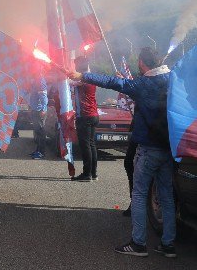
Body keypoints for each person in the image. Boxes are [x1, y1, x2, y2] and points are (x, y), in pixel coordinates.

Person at [69, 47, 175, 258]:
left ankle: (138, 244)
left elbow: (112, 82)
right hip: (169, 148)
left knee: (139, 194)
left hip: (148, 148)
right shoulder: (173, 79)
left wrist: (83, 75)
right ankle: (168, 245)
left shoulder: (143, 84)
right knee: (167, 196)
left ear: (143, 64)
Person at [71, 56, 99, 182]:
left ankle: (87, 174)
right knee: (91, 144)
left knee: (85, 145)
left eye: (76, 65)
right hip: (93, 115)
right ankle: (93, 173)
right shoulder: (90, 77)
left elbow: (71, 82)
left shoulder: (84, 79)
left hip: (85, 116)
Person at [29, 71, 48, 160]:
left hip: (39, 110)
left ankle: (41, 153)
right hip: (35, 109)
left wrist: (43, 109)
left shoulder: (40, 80)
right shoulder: (36, 79)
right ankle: (37, 150)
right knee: (37, 132)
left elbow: (43, 96)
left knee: (40, 132)